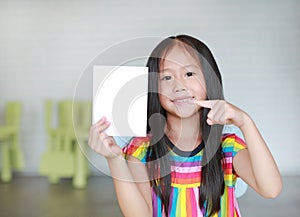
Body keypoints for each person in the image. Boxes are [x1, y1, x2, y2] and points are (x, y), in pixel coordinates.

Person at [88, 35, 282, 217]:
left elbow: (271, 189)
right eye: (167, 77)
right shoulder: (141, 150)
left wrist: (245, 122)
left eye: (189, 73)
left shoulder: (227, 147)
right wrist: (114, 160)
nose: (179, 86)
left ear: (210, 79)